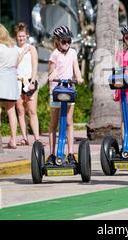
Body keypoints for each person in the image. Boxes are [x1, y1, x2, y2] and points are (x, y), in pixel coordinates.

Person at [47, 25, 84, 164]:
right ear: (57, 41)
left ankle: (70, 153)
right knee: (54, 123)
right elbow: (51, 73)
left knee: (69, 121)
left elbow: (76, 69)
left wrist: (79, 78)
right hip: (56, 91)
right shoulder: (54, 54)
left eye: (69, 41)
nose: (67, 44)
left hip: (69, 90)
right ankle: (51, 154)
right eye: (64, 41)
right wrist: (53, 74)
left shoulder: (73, 52)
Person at [0, 23, 20, 149]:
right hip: (11, 81)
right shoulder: (13, 47)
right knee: (11, 111)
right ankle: (13, 140)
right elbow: (16, 63)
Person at [14, 22, 40, 145]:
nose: (21, 38)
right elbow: (14, 64)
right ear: (16, 36)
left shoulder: (32, 48)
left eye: (23, 36)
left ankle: (37, 138)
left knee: (32, 110)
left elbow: (35, 66)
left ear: (27, 35)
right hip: (17, 81)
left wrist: (33, 82)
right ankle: (24, 137)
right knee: (20, 110)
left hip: (29, 80)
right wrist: (22, 53)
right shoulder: (13, 49)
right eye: (19, 36)